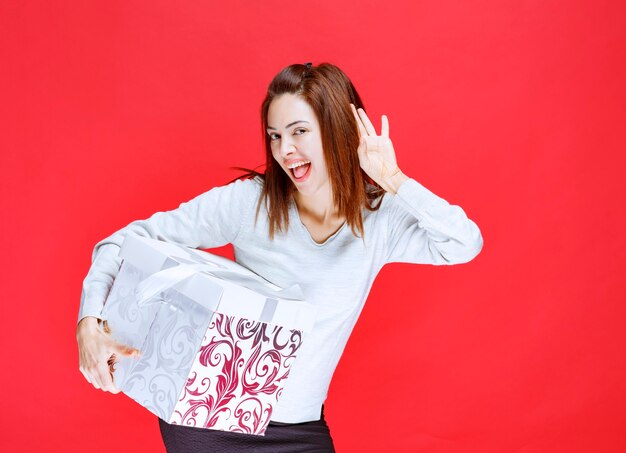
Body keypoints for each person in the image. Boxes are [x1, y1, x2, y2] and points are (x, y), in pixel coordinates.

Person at [76, 62, 483, 452]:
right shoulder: (250, 202)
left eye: (299, 131)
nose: (285, 150)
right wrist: (88, 323)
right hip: (209, 417)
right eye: (274, 136)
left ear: (338, 130)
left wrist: (393, 179)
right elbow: (125, 240)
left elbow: (463, 244)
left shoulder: (379, 220)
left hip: (300, 427)